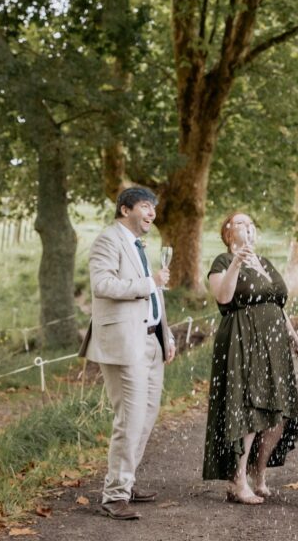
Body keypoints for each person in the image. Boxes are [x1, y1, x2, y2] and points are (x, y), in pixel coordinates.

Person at [79, 187, 176, 521]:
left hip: (151, 341)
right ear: (125, 209)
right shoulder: (108, 240)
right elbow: (102, 285)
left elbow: (154, 297)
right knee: (130, 420)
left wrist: (167, 333)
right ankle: (114, 495)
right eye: (146, 207)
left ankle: (127, 481)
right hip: (124, 344)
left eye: (153, 209)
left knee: (147, 418)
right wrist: (151, 283)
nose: (151, 214)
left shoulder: (139, 246)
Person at [203, 211, 298, 504]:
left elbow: (277, 303)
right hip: (243, 340)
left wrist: (295, 340)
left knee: (278, 413)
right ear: (228, 231)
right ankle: (237, 482)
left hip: (274, 345)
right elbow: (223, 298)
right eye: (240, 223)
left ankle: (258, 473)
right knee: (249, 409)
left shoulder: (264, 262)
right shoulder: (222, 262)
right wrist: (237, 260)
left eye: (251, 224)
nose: (247, 228)